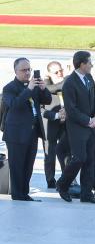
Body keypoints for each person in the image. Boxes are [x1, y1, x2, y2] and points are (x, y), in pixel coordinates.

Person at [2, 58, 52, 201]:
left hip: (33, 132)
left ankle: (24, 192)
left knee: (28, 165)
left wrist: (43, 88)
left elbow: (47, 100)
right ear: (16, 71)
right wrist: (29, 89)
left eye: (29, 69)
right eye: (24, 70)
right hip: (16, 134)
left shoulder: (34, 86)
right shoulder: (9, 88)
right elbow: (15, 104)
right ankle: (18, 194)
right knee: (17, 166)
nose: (28, 72)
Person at [57, 51, 95, 204]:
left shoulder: (89, 78)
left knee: (89, 160)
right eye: (89, 62)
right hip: (77, 128)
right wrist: (88, 120)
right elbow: (71, 109)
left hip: (91, 126)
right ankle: (62, 184)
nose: (92, 65)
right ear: (82, 64)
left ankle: (86, 194)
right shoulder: (69, 83)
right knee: (79, 158)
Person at [42, 61, 67, 189]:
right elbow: (41, 109)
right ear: (49, 74)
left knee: (66, 152)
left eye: (61, 70)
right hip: (50, 124)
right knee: (50, 155)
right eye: (56, 72)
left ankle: (67, 179)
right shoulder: (44, 85)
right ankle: (50, 180)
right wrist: (56, 115)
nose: (60, 73)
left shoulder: (66, 83)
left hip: (64, 124)